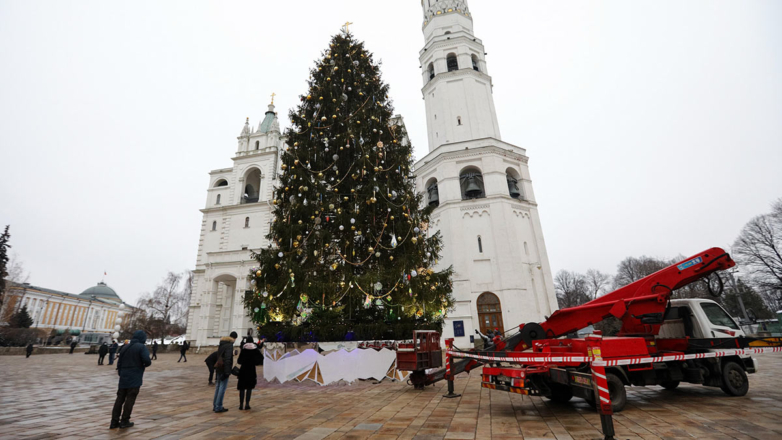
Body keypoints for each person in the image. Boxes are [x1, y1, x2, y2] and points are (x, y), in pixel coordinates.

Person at [110, 330, 151, 429]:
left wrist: (121, 373)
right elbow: (147, 360)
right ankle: (125, 420)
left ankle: (114, 422)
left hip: (124, 376)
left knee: (119, 399)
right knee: (130, 399)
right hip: (135, 376)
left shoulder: (125, 347)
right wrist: (143, 365)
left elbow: (119, 363)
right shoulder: (141, 347)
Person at [237, 337, 264, 410]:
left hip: (243, 370)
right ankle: (247, 404)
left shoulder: (243, 350)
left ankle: (241, 404)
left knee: (242, 388)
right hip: (251, 370)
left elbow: (239, 361)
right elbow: (261, 358)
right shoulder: (255, 350)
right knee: (249, 387)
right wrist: (255, 362)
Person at [213, 331, 237, 413]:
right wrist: (227, 372)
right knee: (222, 388)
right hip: (224, 369)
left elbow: (220, 356)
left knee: (218, 386)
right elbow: (227, 359)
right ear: (234, 338)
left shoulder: (222, 343)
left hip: (219, 367)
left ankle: (215, 405)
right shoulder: (229, 345)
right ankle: (218, 407)